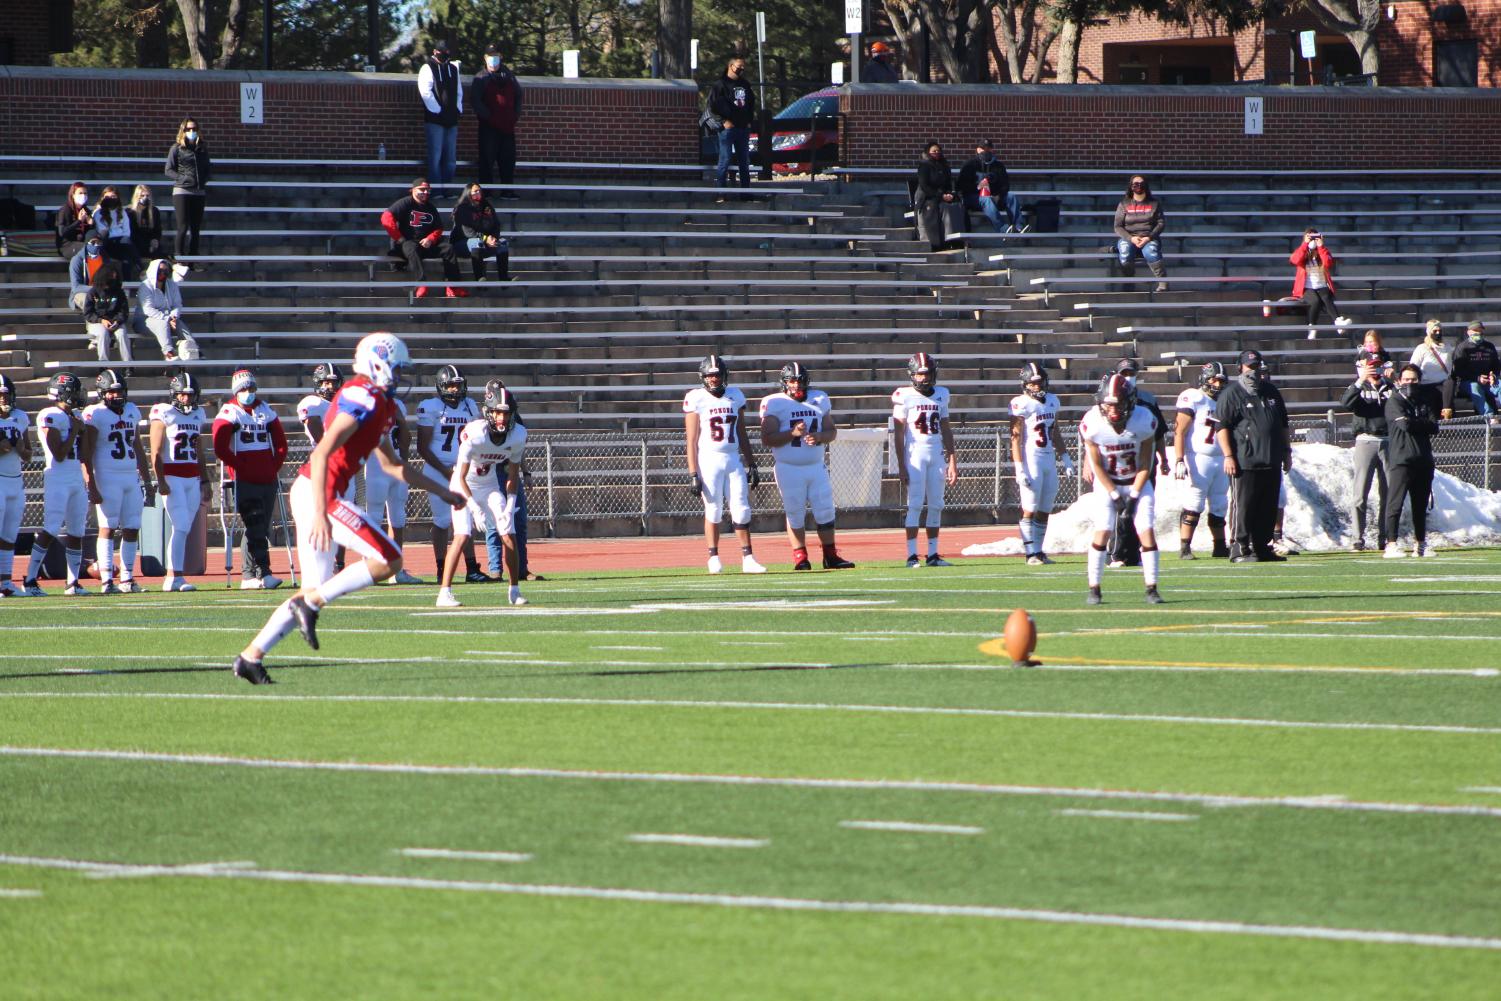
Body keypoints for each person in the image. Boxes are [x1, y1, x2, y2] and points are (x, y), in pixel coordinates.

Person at [233, 333, 466, 684]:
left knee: (311, 591)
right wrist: (325, 508)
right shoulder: (362, 395)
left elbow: (392, 465)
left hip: (317, 492)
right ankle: (309, 605)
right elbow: (324, 449)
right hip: (318, 491)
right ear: (378, 365)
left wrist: (443, 491)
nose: (399, 376)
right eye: (396, 368)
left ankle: (250, 657)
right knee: (389, 558)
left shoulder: (381, 403)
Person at [435, 386, 529, 608]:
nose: (502, 417)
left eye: (506, 413)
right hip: (463, 486)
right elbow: (460, 476)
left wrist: (510, 505)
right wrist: (474, 508)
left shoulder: (517, 435)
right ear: (489, 412)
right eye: (497, 412)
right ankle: (444, 593)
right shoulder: (475, 433)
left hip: (489, 486)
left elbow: (513, 475)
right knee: (462, 535)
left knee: (509, 534)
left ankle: (514, 591)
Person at [759, 362, 855, 571]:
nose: (796, 384)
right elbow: (767, 438)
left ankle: (830, 556)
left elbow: (832, 431)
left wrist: (820, 437)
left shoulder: (819, 398)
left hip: (815, 465)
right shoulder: (774, 403)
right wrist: (791, 433)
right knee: (795, 512)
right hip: (789, 467)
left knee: (826, 511)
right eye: (792, 380)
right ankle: (800, 557)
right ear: (784, 383)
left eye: (800, 380)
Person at [1079, 374, 1163, 605]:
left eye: (1118, 403)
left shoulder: (1144, 419)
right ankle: (1094, 588)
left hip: (1137, 481)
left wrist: (1134, 496)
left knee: (1146, 531)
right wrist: (1115, 495)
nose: (1113, 409)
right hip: (1108, 483)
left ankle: (1151, 588)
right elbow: (1096, 464)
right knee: (1103, 530)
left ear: (1130, 401)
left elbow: (1147, 463)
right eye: (1108, 404)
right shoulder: (1092, 422)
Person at [683, 355, 765, 575]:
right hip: (709, 459)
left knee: (742, 508)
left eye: (717, 375)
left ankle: (748, 558)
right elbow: (691, 440)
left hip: (732, 458)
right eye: (710, 375)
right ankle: (713, 557)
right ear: (703, 377)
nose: (714, 379)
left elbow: (742, 432)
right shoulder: (696, 398)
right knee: (714, 509)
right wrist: (693, 472)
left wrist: (752, 463)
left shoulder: (735, 395)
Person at [212, 369, 289, 590]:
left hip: (267, 478)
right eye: (244, 389)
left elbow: (281, 443)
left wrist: (273, 466)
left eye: (251, 388)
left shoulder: (265, 410)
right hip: (245, 480)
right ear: (236, 390)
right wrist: (240, 467)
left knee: (261, 527)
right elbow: (220, 447)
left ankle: (259, 573)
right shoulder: (229, 411)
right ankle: (252, 574)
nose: (248, 392)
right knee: (253, 524)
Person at [80, 369, 153, 594]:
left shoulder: (131, 411)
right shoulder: (95, 413)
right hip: (107, 476)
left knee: (132, 527)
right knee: (108, 527)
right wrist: (90, 484)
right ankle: (106, 580)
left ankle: (128, 579)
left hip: (130, 477)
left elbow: (137, 446)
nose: (116, 395)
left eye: (119, 390)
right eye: (111, 392)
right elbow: (87, 452)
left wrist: (148, 480)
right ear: (102, 393)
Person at [1216, 350, 1292, 564]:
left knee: (1268, 506)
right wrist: (1228, 455)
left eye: (1257, 366)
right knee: (1244, 506)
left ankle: (1261, 546)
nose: (1254, 370)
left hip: (1271, 458)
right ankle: (1240, 547)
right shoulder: (1231, 393)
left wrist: (1286, 452)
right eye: (1250, 366)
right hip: (1245, 460)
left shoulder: (1271, 391)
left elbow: (1283, 424)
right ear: (1240, 367)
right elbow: (1222, 427)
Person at [416, 365, 489, 583]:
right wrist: (446, 472)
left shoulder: (469, 406)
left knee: (464, 520)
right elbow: (423, 447)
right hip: (439, 469)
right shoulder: (430, 407)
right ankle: (441, 567)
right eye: (450, 385)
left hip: (463, 468)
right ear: (440, 386)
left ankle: (471, 569)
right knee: (442, 520)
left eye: (458, 385)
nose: (455, 390)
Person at [21, 373, 89, 597]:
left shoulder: (75, 415)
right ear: (63, 393)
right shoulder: (49, 415)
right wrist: (75, 430)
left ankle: (73, 583)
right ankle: (30, 579)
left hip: (75, 477)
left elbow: (84, 452)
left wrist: (80, 429)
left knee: (77, 531)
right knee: (51, 528)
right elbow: (58, 454)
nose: (79, 396)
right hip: (58, 476)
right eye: (75, 391)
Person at [892, 352, 958, 567]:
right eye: (920, 374)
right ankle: (911, 555)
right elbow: (899, 434)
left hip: (937, 455)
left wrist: (953, 461)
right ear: (912, 375)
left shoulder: (942, 394)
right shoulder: (904, 395)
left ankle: (932, 554)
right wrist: (901, 465)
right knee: (915, 505)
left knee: (937, 505)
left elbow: (946, 428)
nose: (924, 378)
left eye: (927, 373)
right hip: (915, 456)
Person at [149, 371, 210, 592]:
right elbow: (155, 451)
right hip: (172, 476)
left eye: (190, 395)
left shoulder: (198, 414)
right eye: (183, 395)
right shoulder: (163, 412)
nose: (187, 399)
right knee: (181, 525)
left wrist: (205, 480)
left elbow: (199, 450)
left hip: (192, 478)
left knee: (185, 527)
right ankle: (173, 577)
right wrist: (160, 480)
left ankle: (177, 576)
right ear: (174, 395)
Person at [1009, 362, 1072, 566]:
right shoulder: (1020, 403)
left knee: (1045, 508)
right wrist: (1019, 467)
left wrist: (1065, 457)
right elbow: (1015, 438)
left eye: (1040, 382)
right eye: (1033, 383)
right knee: (1030, 507)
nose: (1037, 386)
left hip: (1048, 458)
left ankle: (1039, 550)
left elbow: (1055, 432)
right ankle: (1030, 553)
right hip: (1031, 459)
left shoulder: (1053, 401)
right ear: (1025, 384)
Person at [1172, 362, 1231, 559]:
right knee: (1195, 502)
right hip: (1197, 457)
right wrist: (1179, 459)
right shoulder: (1194, 397)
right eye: (1214, 379)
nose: (1218, 384)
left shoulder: (1225, 401)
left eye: (1221, 380)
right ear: (1204, 379)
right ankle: (1185, 547)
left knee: (1220, 503)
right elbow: (1180, 431)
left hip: (1220, 458)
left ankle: (1220, 546)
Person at [1383, 363, 1441, 559]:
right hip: (1402, 459)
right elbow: (1405, 425)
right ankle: (1391, 543)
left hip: (1423, 460)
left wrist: (1417, 423)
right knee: (1395, 504)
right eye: (1407, 379)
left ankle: (1420, 543)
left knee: (1420, 505)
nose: (1410, 383)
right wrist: (1420, 424)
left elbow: (1434, 426)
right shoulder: (1395, 401)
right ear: (1399, 381)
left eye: (1414, 380)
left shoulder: (1424, 401)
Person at [1340, 358, 1393, 552]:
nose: (1374, 370)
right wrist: (1361, 380)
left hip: (1388, 441)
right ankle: (1357, 538)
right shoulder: (1359, 387)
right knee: (1360, 493)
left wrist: (1394, 382)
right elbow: (1345, 403)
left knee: (1388, 494)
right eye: (1371, 366)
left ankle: (1386, 536)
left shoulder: (1389, 387)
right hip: (1366, 440)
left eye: (1377, 366)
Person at [381, 179, 465, 298]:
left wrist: (430, 239)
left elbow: (438, 228)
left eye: (427, 190)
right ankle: (421, 283)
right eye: (422, 189)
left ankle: (454, 287)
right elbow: (386, 218)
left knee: (448, 248)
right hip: (408, 243)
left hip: (427, 244)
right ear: (413, 190)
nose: (425, 192)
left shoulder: (430, 207)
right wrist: (399, 238)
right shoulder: (405, 203)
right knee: (411, 247)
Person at [473, 45, 522, 194]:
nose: (494, 59)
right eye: (490, 55)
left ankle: (507, 191)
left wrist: (514, 116)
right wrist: (489, 117)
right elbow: (476, 101)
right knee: (487, 160)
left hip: (507, 127)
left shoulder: (509, 76)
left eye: (496, 55)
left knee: (507, 160)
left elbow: (518, 95)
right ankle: (486, 192)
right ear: (485, 58)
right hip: (489, 127)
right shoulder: (481, 77)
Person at [0, 375, 33, 597]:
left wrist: (20, 448)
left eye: (5, 394)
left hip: (16, 480)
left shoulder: (20, 417)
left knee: (10, 535)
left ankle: (5, 582)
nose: (3, 399)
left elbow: (29, 455)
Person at [1290, 228, 1350, 340]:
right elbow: (1294, 260)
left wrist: (1321, 246)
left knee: (1326, 297)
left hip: (1321, 285)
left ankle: (1338, 322)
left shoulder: (1323, 251)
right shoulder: (1302, 251)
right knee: (1315, 301)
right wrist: (1305, 244)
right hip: (1307, 287)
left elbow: (1328, 263)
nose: (1313, 239)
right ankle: (1312, 327)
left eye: (1314, 237)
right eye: (1310, 237)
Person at [136, 259, 200, 362]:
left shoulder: (172, 285)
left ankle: (193, 348)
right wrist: (167, 318)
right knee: (162, 324)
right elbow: (148, 309)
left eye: (166, 270)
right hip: (144, 320)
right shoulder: (145, 286)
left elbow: (177, 304)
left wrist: (173, 317)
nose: (163, 273)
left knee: (178, 323)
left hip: (168, 319)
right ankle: (168, 352)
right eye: (160, 270)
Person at [418, 40, 463, 188]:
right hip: (435, 120)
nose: (444, 55)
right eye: (441, 51)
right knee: (435, 157)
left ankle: (448, 188)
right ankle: (436, 189)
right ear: (435, 51)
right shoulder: (428, 67)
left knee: (450, 158)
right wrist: (437, 110)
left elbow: (458, 91)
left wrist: (457, 109)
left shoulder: (453, 69)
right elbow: (425, 92)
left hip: (451, 119)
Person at [708, 58, 756, 198]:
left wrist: (748, 121)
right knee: (725, 158)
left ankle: (745, 193)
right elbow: (712, 107)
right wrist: (723, 122)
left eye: (743, 67)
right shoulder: (720, 85)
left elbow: (751, 104)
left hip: (742, 128)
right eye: (739, 66)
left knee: (744, 161)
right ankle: (721, 192)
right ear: (731, 66)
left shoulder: (745, 85)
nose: (741, 69)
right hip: (727, 129)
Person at [165, 117, 210, 260]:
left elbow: (208, 167)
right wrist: (183, 178)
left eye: (194, 129)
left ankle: (193, 258)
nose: (192, 131)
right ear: (183, 131)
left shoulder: (202, 148)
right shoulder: (177, 148)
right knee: (183, 226)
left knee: (196, 228)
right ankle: (179, 257)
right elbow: (168, 169)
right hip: (182, 191)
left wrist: (203, 179)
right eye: (188, 129)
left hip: (199, 191)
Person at [1114, 174, 1167, 292]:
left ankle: (1163, 282)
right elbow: (1118, 227)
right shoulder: (1124, 204)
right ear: (1131, 187)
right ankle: (1129, 280)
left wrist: (1149, 237)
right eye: (1135, 184)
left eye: (1141, 183)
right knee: (1125, 253)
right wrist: (1130, 238)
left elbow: (1161, 224)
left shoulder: (1154, 203)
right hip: (1129, 238)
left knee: (1151, 252)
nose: (1138, 186)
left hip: (1149, 238)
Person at [957, 140, 1022, 235]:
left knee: (1010, 196)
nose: (986, 151)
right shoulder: (969, 165)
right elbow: (961, 185)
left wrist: (999, 195)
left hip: (994, 196)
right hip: (973, 197)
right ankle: (1003, 229)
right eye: (983, 149)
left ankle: (1019, 226)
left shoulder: (998, 166)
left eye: (989, 149)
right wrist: (978, 187)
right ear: (978, 150)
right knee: (986, 200)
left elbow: (1005, 185)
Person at [452, 182, 509, 283]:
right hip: (462, 243)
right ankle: (479, 278)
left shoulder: (486, 206)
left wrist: (493, 237)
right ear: (468, 193)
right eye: (475, 191)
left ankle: (504, 279)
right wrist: (486, 239)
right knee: (476, 242)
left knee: (503, 243)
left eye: (479, 191)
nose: (478, 193)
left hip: (485, 242)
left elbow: (496, 224)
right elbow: (468, 232)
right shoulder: (462, 208)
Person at [1449, 320, 1499, 420]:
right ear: (1468, 332)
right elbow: (1458, 371)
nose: (1478, 333)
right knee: (1475, 387)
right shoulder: (1462, 348)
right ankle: (1490, 417)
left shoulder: (1489, 346)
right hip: (1468, 382)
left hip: (1488, 382)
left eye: (1480, 331)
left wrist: (1493, 376)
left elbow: (1496, 366)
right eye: (1475, 330)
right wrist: (1477, 378)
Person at [83, 264, 133, 364]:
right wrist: (101, 320)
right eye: (111, 277)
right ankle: (103, 363)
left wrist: (117, 321)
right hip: (97, 322)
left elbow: (123, 311)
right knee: (103, 333)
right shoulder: (93, 292)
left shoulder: (119, 292)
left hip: (115, 322)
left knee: (122, 334)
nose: (113, 280)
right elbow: (88, 313)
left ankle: (128, 364)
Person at [91, 185, 140, 281]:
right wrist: (118, 233)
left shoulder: (122, 212)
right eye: (107, 197)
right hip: (107, 244)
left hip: (121, 244)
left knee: (127, 256)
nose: (110, 199)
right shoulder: (98, 213)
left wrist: (118, 235)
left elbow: (127, 232)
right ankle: (141, 268)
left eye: (113, 197)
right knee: (127, 247)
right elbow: (104, 232)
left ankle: (127, 285)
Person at [914, 142, 956, 252]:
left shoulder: (944, 166)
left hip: (942, 196)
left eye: (938, 151)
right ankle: (934, 242)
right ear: (928, 152)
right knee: (932, 208)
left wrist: (948, 194)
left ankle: (953, 240)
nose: (936, 153)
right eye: (934, 151)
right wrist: (940, 195)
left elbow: (947, 184)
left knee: (955, 207)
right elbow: (924, 186)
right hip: (927, 197)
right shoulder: (924, 166)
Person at [1410, 318, 1456, 419]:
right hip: (1426, 383)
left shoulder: (1447, 347)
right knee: (1432, 399)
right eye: (1435, 331)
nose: (1438, 333)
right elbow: (1413, 367)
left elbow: (1449, 367)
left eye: (1440, 330)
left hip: (1443, 383)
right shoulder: (1421, 348)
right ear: (1429, 332)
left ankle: (1447, 413)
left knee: (1450, 383)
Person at [68, 235, 106, 313]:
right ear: (86, 243)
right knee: (91, 302)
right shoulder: (76, 260)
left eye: (98, 242)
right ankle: (95, 321)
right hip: (81, 293)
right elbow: (76, 287)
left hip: (101, 293)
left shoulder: (105, 259)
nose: (96, 245)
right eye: (93, 242)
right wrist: (96, 289)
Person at [56, 182, 93, 260]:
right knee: (88, 249)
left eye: (85, 193)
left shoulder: (86, 211)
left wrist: (91, 224)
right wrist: (78, 221)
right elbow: (62, 232)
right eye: (80, 193)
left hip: (81, 242)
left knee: (96, 248)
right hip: (67, 246)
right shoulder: (65, 210)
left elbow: (88, 232)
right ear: (73, 195)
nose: (83, 195)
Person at [127, 185, 164, 263]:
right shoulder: (130, 211)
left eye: (147, 195)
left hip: (149, 241)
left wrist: (155, 240)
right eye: (142, 195)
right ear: (137, 197)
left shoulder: (154, 211)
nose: (145, 198)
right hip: (136, 242)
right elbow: (132, 232)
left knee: (158, 250)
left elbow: (157, 230)